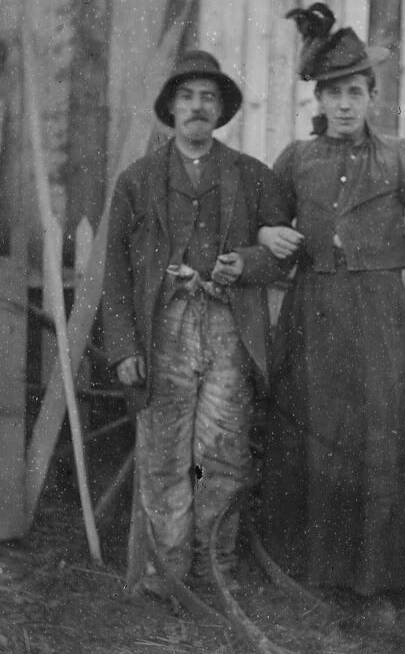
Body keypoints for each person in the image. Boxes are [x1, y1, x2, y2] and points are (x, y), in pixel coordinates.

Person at [258, 9, 405, 618]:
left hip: (379, 316)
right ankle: (313, 577)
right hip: (312, 312)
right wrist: (271, 235)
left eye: (355, 92)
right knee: (315, 436)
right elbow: (265, 225)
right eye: (333, 93)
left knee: (382, 438)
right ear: (318, 97)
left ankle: (379, 584)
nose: (344, 104)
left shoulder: (401, 158)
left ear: (372, 97)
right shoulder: (296, 159)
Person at [102, 50, 288, 599]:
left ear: (221, 109)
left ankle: (216, 576)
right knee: (163, 458)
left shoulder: (252, 177)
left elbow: (283, 253)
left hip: (230, 331)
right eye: (187, 97)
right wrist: (122, 347)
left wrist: (246, 263)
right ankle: (166, 580)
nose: (197, 107)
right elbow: (113, 269)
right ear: (171, 109)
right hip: (164, 331)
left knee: (224, 457)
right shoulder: (137, 181)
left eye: (208, 97)